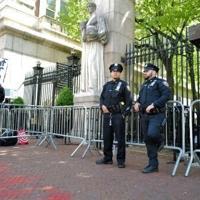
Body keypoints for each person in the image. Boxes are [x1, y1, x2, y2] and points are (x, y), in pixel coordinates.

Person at [133, 63, 171, 173]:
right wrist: (136, 103)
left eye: (146, 70)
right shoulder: (144, 85)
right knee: (148, 140)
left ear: (153, 71)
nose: (144, 72)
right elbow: (140, 98)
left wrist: (154, 104)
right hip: (144, 115)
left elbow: (167, 95)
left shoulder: (160, 83)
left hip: (157, 114)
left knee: (152, 134)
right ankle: (153, 165)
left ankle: (161, 140)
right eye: (144, 70)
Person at [96, 63, 132, 168]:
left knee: (120, 138)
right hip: (107, 115)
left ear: (120, 73)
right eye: (113, 71)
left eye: (117, 71)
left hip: (118, 115)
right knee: (107, 137)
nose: (115, 72)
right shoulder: (106, 85)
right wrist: (102, 106)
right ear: (111, 72)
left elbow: (129, 101)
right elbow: (101, 98)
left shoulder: (124, 85)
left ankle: (120, 160)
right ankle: (107, 158)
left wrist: (124, 114)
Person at [79, 1, 108, 95]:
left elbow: (103, 32)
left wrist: (93, 34)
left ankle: (94, 86)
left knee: (93, 64)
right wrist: (83, 29)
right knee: (87, 65)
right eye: (88, 6)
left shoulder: (99, 17)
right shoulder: (87, 21)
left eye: (91, 6)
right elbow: (84, 37)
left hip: (95, 44)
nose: (89, 8)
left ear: (94, 7)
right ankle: (88, 87)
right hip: (88, 45)